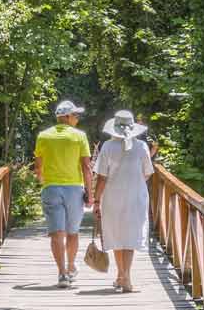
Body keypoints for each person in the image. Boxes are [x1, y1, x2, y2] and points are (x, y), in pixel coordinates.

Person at [92, 110, 154, 293]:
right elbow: (147, 172)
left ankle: (122, 276)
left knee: (116, 236)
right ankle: (125, 277)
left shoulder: (107, 147)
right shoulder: (142, 146)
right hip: (136, 197)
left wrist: (96, 201)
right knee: (130, 236)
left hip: (112, 197)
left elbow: (102, 177)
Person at [34, 100, 93, 288]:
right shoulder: (80, 136)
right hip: (74, 188)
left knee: (56, 233)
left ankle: (61, 273)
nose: (77, 119)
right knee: (73, 232)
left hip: (51, 188)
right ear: (67, 117)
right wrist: (90, 194)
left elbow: (38, 167)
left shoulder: (43, 136)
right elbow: (86, 167)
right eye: (75, 115)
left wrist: (44, 183)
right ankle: (70, 266)